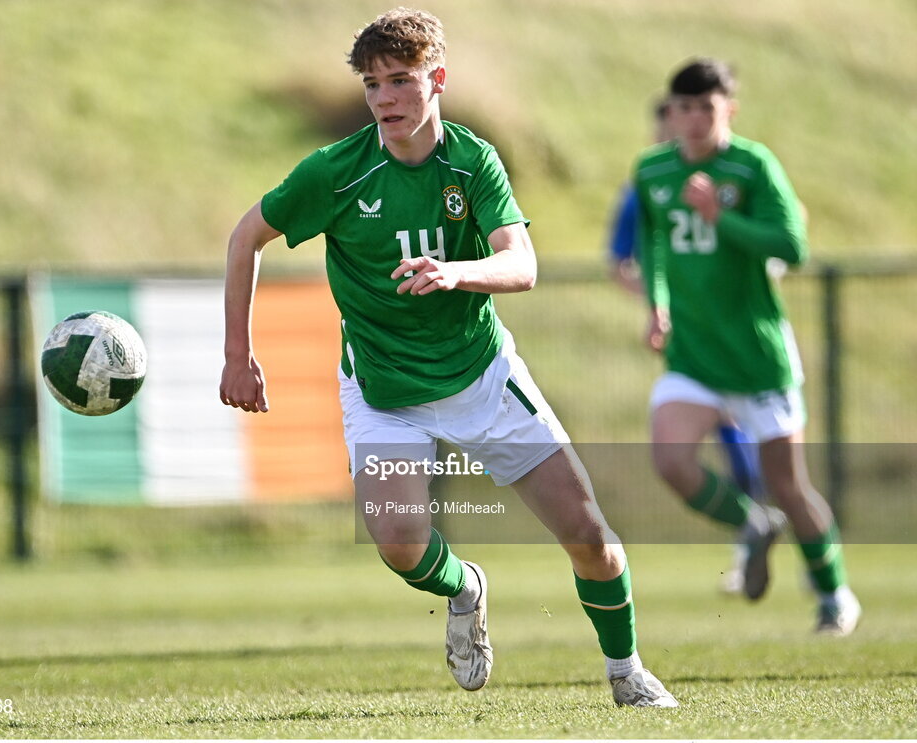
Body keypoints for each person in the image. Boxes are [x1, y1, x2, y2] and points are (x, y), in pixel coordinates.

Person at [219, 8, 677, 707]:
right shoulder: (336, 173)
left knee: (591, 538)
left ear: (438, 79)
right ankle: (465, 586)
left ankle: (628, 673)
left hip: (482, 378)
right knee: (400, 541)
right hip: (384, 389)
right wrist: (238, 355)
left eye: (400, 80)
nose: (384, 99)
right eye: (372, 84)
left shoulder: (473, 161)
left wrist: (455, 271)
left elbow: (520, 264)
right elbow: (245, 236)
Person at [633, 57, 861, 634]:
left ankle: (834, 595)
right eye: (682, 108)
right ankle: (753, 524)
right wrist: (656, 304)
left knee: (790, 483)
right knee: (671, 459)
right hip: (693, 355)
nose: (691, 119)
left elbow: (793, 245)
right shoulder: (653, 170)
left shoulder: (753, 165)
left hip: (758, 358)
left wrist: (720, 217)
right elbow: (653, 244)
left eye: (704, 108)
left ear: (728, 109)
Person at [606, 97, 764, 594]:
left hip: (742, 335)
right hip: (689, 342)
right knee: (697, 443)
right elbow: (619, 262)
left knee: (764, 448)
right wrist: (662, 304)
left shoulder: (733, 176)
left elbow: (785, 229)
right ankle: (752, 537)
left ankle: (810, 563)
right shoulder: (643, 190)